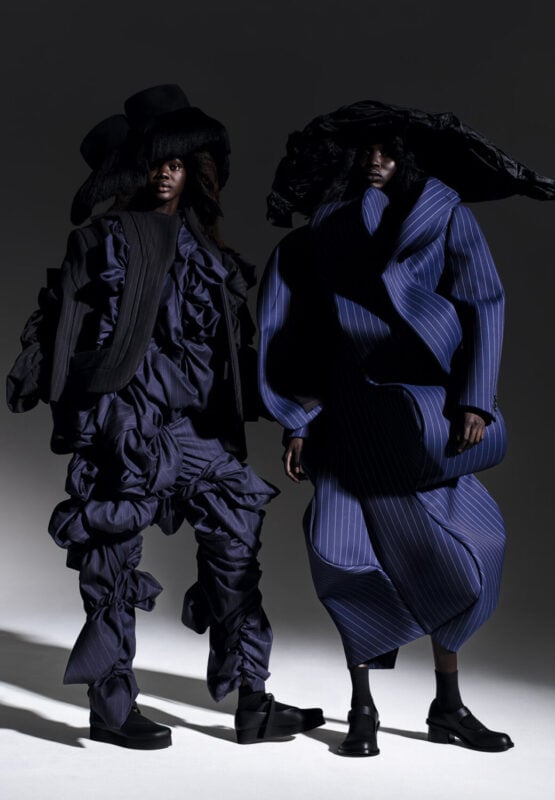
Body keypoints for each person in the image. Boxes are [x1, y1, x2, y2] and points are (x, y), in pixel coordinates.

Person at [6, 85, 324, 749]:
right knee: (113, 559)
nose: (165, 173)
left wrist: (283, 406)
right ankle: (111, 707)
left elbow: (232, 346)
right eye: (155, 162)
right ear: (135, 169)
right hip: (128, 422)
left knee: (236, 542)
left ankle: (252, 700)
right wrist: (67, 393)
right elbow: (63, 322)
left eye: (177, 163)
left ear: (196, 170)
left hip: (198, 428)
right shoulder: (103, 240)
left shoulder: (209, 252)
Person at [258, 100, 555, 757]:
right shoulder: (326, 226)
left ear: (406, 157)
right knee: (347, 561)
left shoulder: (444, 213)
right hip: (347, 415)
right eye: (367, 150)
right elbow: (298, 330)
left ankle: (447, 705)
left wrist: (475, 400)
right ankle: (360, 709)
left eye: (388, 151)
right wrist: (298, 419)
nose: (376, 161)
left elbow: (484, 301)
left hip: (425, 418)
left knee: (469, 554)